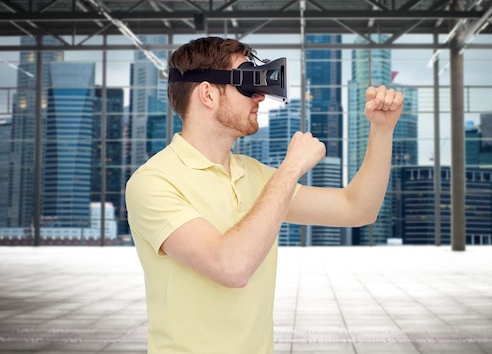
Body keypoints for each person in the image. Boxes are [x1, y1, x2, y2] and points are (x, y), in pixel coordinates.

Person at [125, 36, 404, 353]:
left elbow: (357, 209)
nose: (259, 96)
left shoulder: (256, 175)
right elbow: (231, 267)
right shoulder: (153, 181)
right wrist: (290, 169)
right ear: (207, 94)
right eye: (246, 83)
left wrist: (382, 130)